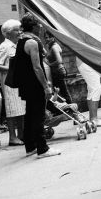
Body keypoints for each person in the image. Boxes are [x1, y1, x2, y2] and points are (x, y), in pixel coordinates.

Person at [13, 13, 61, 158]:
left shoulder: (22, 40)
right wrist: (46, 86)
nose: (40, 26)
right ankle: (42, 148)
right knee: (38, 116)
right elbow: (37, 67)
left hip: (26, 84)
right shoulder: (31, 43)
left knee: (29, 115)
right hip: (34, 84)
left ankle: (30, 147)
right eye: (38, 24)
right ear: (33, 26)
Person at [0, 19, 26, 146]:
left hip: (19, 81)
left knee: (21, 108)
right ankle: (12, 137)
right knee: (12, 109)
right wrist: (12, 69)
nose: (20, 32)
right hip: (9, 83)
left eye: (20, 29)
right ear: (7, 33)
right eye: (17, 30)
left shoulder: (18, 45)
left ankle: (21, 134)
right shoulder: (4, 47)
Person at [43, 32, 73, 103]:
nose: (46, 39)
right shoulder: (51, 46)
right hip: (56, 72)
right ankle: (67, 108)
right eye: (45, 38)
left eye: (47, 37)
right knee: (58, 91)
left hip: (58, 71)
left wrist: (50, 64)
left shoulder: (54, 47)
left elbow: (59, 60)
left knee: (63, 91)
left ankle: (72, 108)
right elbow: (50, 56)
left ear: (52, 37)